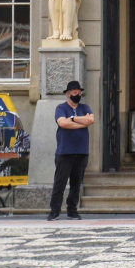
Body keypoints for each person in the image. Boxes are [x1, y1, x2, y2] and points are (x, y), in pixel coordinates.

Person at [49, 81, 95, 221]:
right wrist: (82, 123)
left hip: (81, 151)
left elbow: (91, 120)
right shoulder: (61, 108)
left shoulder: (84, 107)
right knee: (60, 183)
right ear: (68, 94)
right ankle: (55, 210)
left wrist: (73, 119)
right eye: (75, 93)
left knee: (76, 183)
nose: (77, 95)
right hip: (65, 151)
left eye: (79, 93)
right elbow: (62, 123)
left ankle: (72, 210)